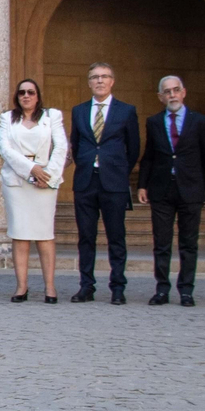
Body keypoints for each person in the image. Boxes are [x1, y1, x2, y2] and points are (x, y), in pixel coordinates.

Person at [134, 75, 205, 307]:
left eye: (176, 90)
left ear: (184, 92)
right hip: (161, 190)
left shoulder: (200, 121)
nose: (172, 95)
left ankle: (186, 290)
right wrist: (142, 184)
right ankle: (162, 289)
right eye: (167, 92)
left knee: (189, 242)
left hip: (191, 190)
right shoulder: (154, 122)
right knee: (162, 242)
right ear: (160, 97)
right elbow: (149, 156)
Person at [68, 62, 140, 304]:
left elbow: (134, 148)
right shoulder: (78, 111)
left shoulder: (126, 111)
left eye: (104, 76)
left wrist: (117, 170)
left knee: (116, 236)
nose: (99, 81)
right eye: (95, 77)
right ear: (89, 82)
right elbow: (76, 146)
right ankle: (86, 286)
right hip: (86, 182)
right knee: (86, 237)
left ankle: (118, 287)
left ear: (112, 81)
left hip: (114, 183)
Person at [0, 78, 69, 304]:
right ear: (16, 97)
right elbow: (5, 149)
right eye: (21, 93)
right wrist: (31, 170)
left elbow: (61, 147)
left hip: (46, 181)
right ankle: (21, 287)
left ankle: (50, 287)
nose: (26, 96)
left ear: (38, 96)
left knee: (45, 234)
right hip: (18, 182)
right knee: (20, 234)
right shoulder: (7, 118)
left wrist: (48, 175)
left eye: (30, 92)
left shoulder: (52, 116)